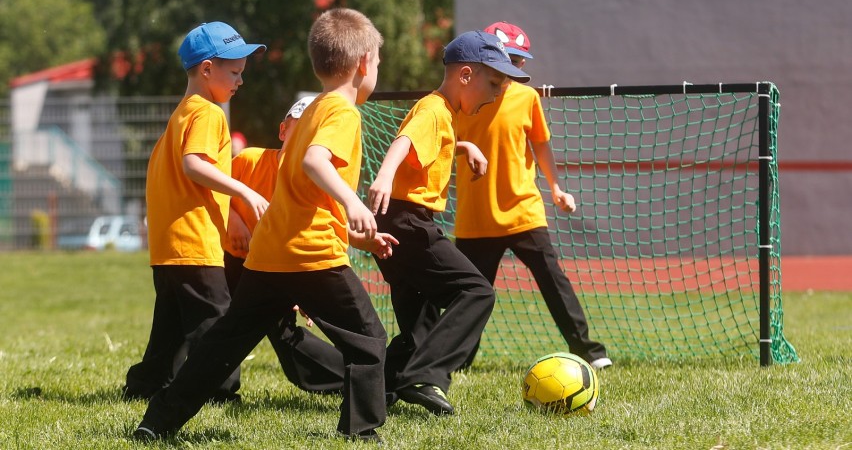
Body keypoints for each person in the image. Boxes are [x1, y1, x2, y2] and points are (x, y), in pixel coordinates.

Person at [133, 8, 393, 444]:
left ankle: (157, 421)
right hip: (309, 255)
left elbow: (300, 192)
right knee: (369, 341)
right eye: (379, 64)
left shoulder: (309, 113)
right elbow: (315, 164)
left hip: (269, 252)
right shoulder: (342, 113)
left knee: (223, 344)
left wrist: (354, 232)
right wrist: (352, 202)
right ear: (365, 62)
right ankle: (361, 433)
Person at [367, 30, 530, 416]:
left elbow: (431, 143)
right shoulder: (434, 108)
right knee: (476, 293)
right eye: (493, 83)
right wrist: (384, 176)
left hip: (394, 221)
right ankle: (425, 376)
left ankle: (384, 387)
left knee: (419, 323)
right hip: (407, 220)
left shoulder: (445, 114)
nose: (495, 94)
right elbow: (405, 141)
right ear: (466, 76)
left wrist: (464, 146)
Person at [122, 21, 268, 403]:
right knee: (218, 324)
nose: (240, 81)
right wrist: (244, 192)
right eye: (234, 72)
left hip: (170, 245)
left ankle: (146, 384)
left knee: (169, 328)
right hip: (194, 241)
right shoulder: (208, 113)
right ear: (207, 70)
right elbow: (194, 165)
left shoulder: (182, 113)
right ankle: (220, 391)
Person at [454, 21, 610, 370]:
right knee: (469, 297)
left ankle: (590, 352)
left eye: (522, 62)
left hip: (523, 211)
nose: (517, 68)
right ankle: (456, 362)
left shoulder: (526, 98)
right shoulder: (462, 100)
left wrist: (556, 188)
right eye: (512, 59)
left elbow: (540, 143)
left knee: (555, 283)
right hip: (476, 217)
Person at [223, 95, 345, 394]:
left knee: (284, 334)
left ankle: (350, 377)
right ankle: (216, 388)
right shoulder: (250, 160)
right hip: (234, 259)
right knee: (219, 323)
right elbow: (210, 191)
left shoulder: (314, 182)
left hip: (275, 266)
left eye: (311, 131)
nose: (303, 136)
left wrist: (299, 286)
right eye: (297, 128)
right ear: (282, 131)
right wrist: (231, 220)